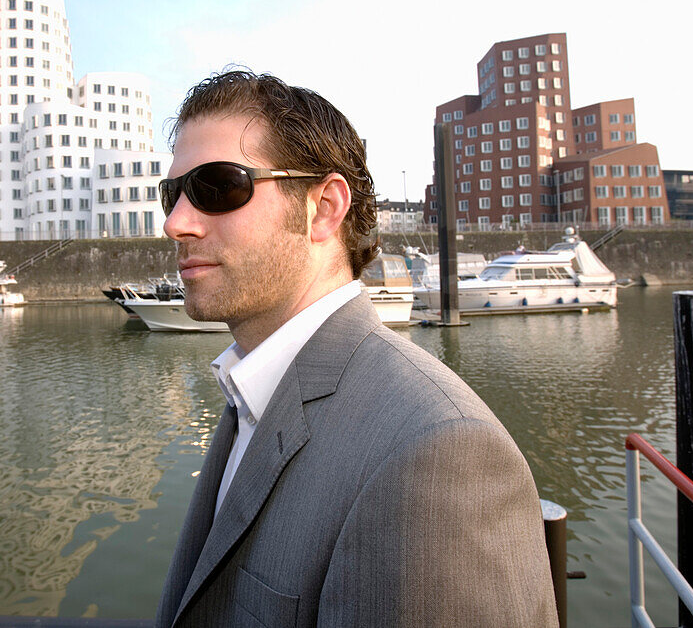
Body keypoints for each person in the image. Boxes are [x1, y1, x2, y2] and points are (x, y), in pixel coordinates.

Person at [155, 70, 556, 627]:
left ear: (323, 208)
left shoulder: (440, 452)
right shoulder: (251, 391)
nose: (176, 223)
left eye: (217, 186)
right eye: (171, 194)